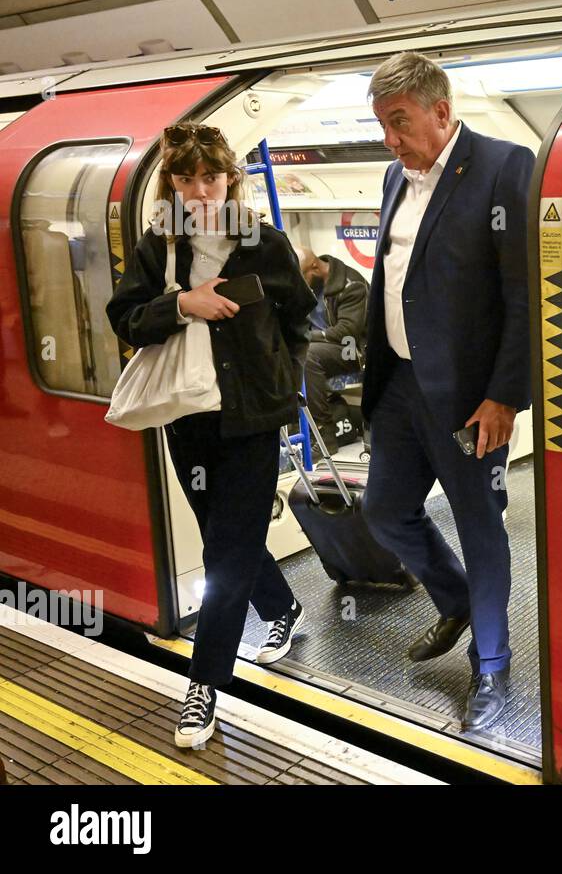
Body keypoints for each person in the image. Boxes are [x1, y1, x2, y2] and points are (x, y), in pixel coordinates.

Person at [106, 122, 318, 748]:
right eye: (186, 178)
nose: (199, 190)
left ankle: (204, 686)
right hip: (188, 417)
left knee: (226, 550)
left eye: (211, 177)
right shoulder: (157, 248)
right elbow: (125, 319)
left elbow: (301, 317)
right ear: (171, 182)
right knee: (223, 535)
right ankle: (281, 608)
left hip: (252, 419)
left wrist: (286, 380)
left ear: (231, 178)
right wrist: (181, 306)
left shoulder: (264, 244)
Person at [359, 51, 533, 731]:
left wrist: (504, 396)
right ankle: (455, 600)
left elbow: (521, 296)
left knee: (480, 527)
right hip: (401, 384)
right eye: (382, 126)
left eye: (398, 123)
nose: (389, 140)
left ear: (440, 111)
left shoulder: (503, 166)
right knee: (385, 511)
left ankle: (491, 665)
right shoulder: (391, 179)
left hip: (468, 396)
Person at [297, 248, 368, 452]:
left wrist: (307, 338)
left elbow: (348, 332)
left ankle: (323, 436)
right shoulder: (307, 287)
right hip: (322, 347)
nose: (299, 283)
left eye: (302, 276)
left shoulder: (351, 284)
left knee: (308, 356)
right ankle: (292, 427)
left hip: (352, 350)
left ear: (315, 267)